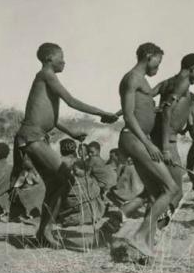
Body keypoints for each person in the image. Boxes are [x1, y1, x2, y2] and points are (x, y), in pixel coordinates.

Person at [11, 42, 119, 248]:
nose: (64, 61)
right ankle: (46, 230)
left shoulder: (46, 79)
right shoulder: (46, 75)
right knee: (66, 179)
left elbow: (51, 117)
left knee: (56, 184)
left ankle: (44, 232)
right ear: (50, 59)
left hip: (35, 137)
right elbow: (71, 101)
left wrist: (72, 132)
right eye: (62, 57)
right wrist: (102, 113)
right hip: (32, 137)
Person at [113, 42, 180, 260]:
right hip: (134, 138)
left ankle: (147, 246)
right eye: (157, 61)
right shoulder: (132, 78)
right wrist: (149, 143)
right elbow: (129, 115)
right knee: (171, 188)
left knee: (155, 193)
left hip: (137, 138)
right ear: (149, 56)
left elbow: (139, 108)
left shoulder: (141, 81)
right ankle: (140, 237)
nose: (158, 67)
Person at [151, 53, 194, 217]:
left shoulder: (167, 82)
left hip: (159, 137)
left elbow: (147, 96)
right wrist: (165, 148)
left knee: (163, 187)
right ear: (193, 69)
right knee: (175, 192)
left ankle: (153, 226)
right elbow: (168, 110)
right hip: (167, 141)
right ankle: (153, 227)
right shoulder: (183, 83)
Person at [9, 153, 45, 222]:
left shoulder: (23, 173)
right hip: (30, 194)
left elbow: (17, 185)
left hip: (23, 193)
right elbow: (38, 181)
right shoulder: (32, 174)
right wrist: (37, 175)